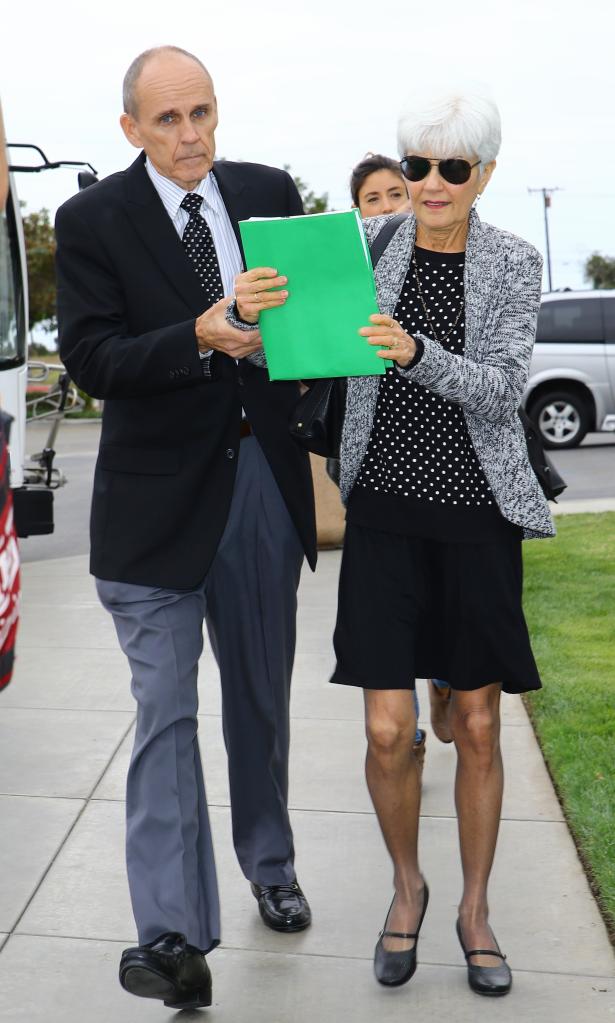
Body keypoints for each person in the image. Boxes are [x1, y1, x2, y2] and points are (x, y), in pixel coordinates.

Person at [242, 83, 555, 997]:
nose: (426, 183)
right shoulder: (366, 244)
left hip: (475, 522)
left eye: (449, 168)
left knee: (476, 723)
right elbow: (302, 350)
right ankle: (408, 887)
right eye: (414, 164)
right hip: (381, 511)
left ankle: (476, 911)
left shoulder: (510, 261)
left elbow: (502, 389)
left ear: (483, 175)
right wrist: (258, 318)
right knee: (388, 730)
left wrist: (418, 352)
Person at [55, 46, 316, 1011]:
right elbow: (89, 356)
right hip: (151, 511)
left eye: (202, 111)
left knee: (259, 698)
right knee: (165, 716)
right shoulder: (91, 220)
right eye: (167, 120)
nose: (191, 134)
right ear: (130, 129)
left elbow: (313, 323)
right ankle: (169, 935)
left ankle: (271, 862)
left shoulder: (267, 192)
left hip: (260, 485)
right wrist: (198, 336)